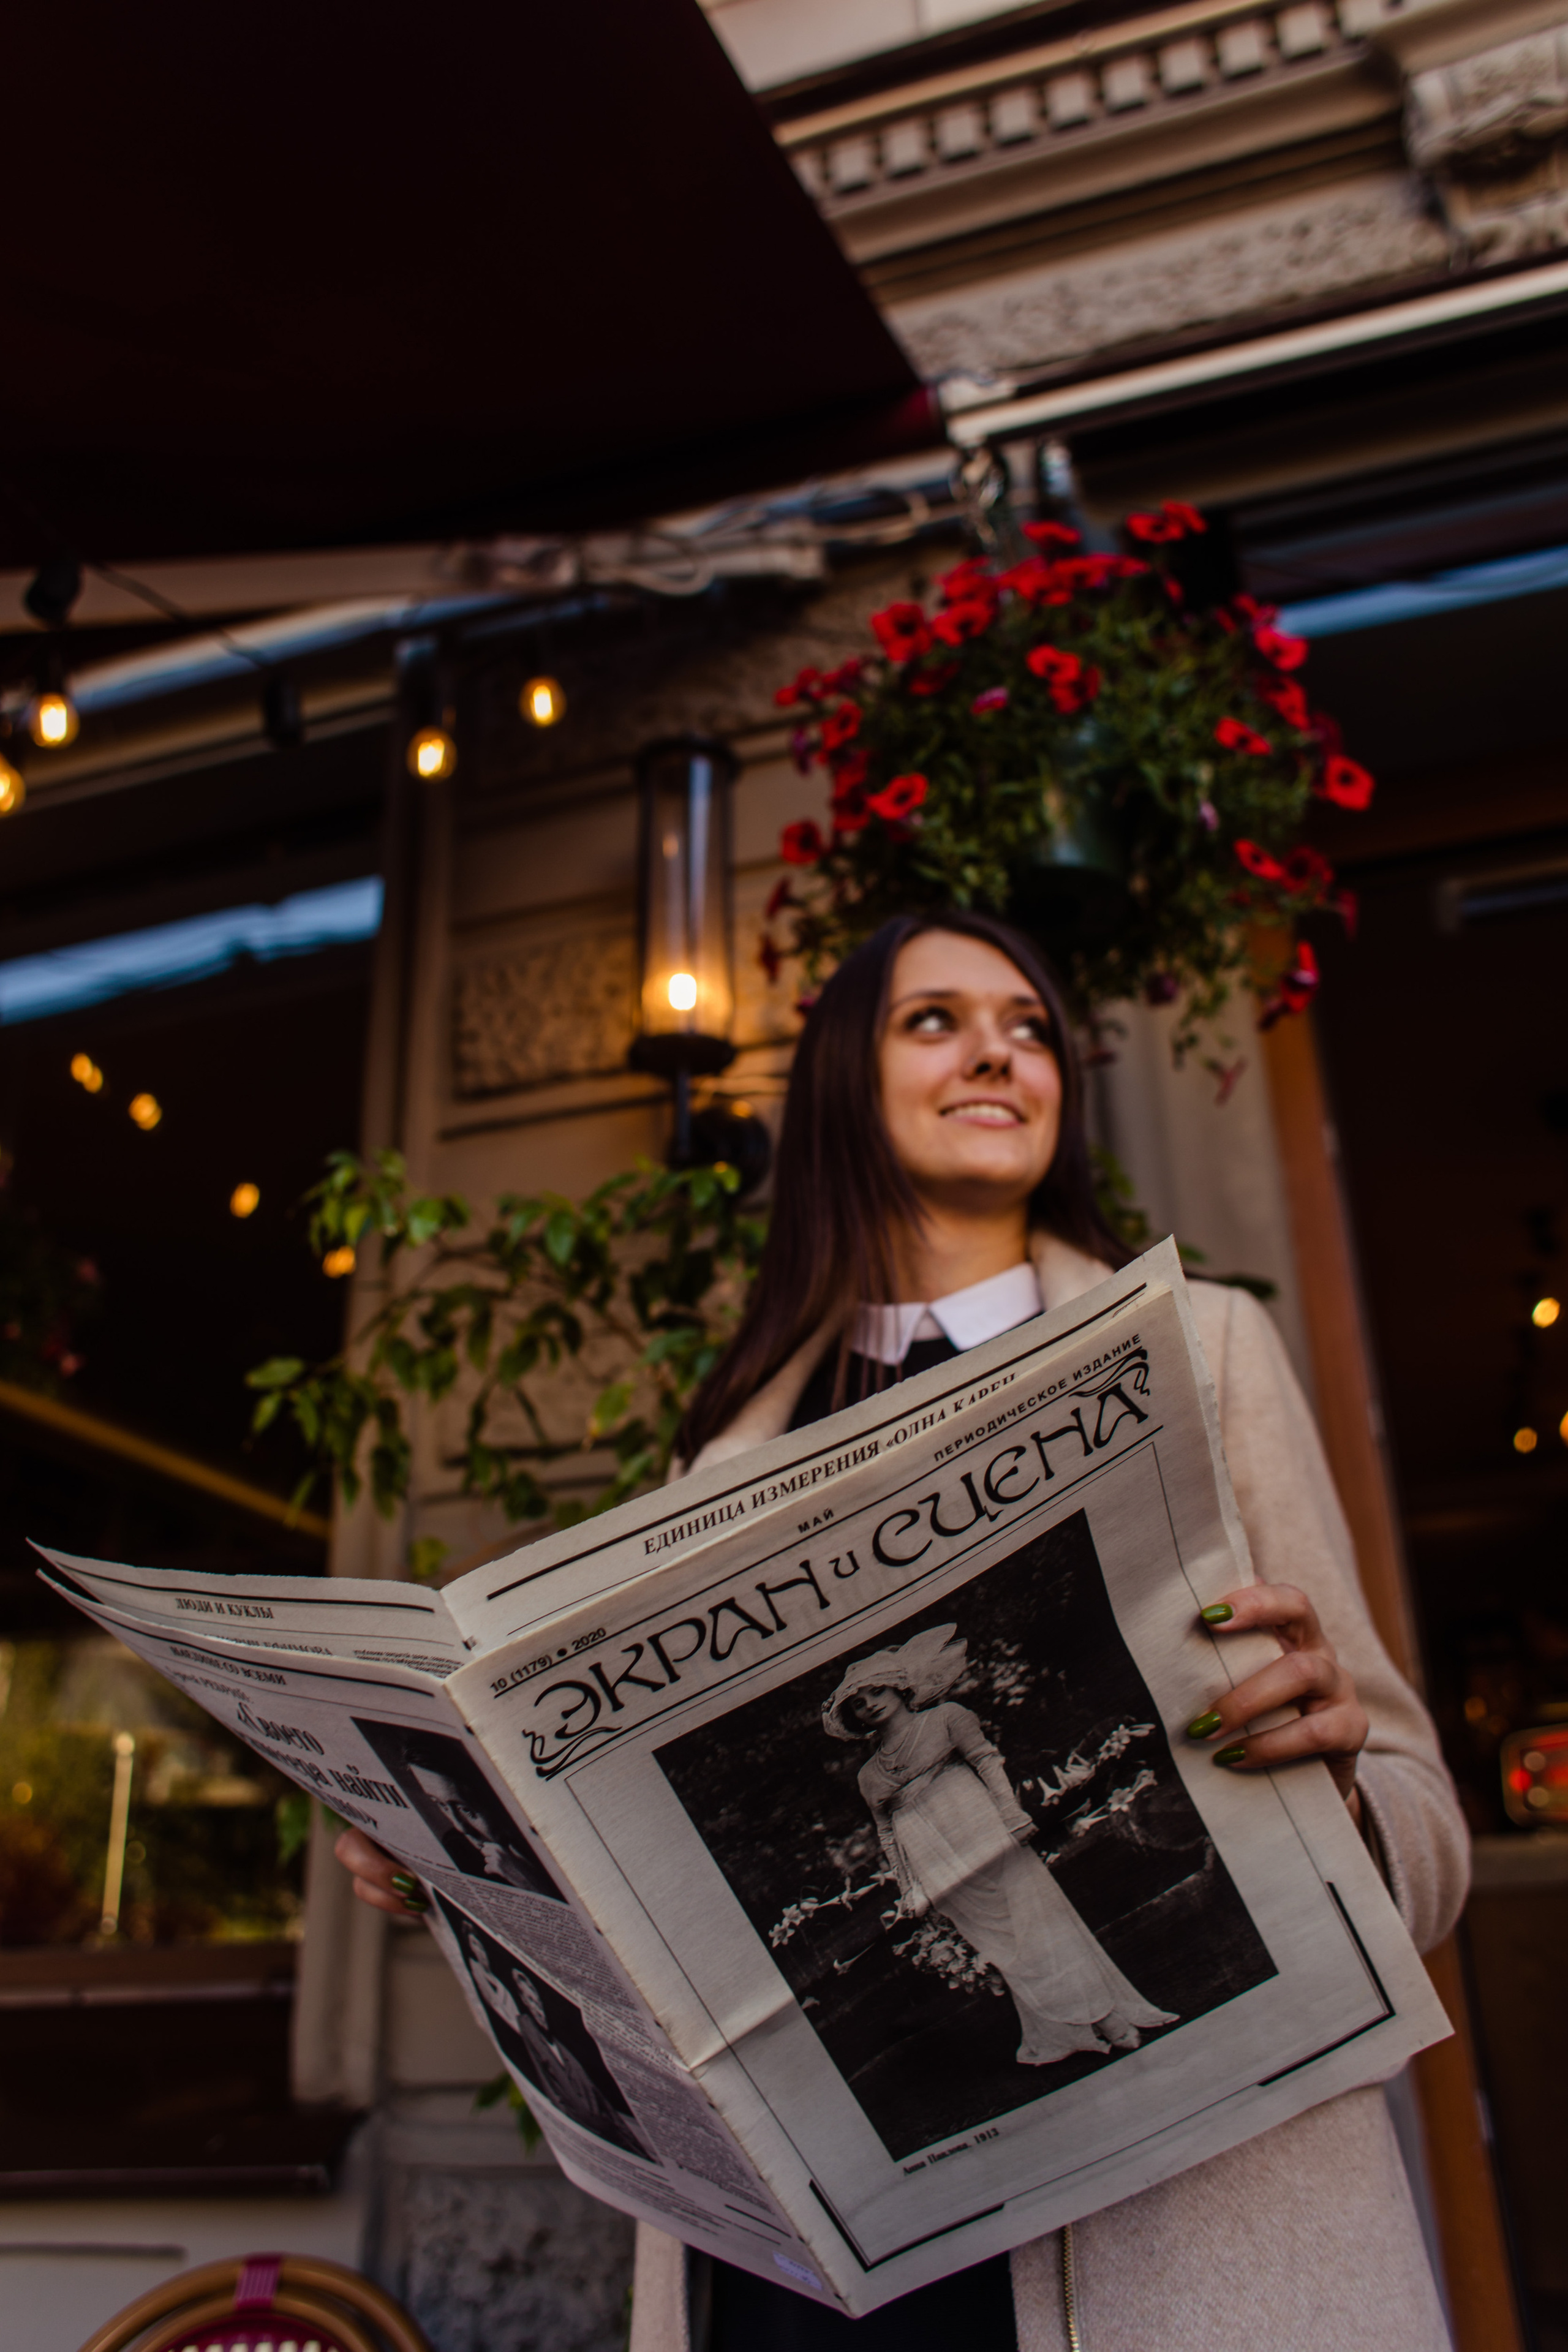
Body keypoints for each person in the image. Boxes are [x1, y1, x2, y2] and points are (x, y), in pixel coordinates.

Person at [336, 910, 1467, 2352]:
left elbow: (1419, 1824)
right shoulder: (716, 1457)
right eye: (934, 1019)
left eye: (1028, 1027)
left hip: (1169, 2247)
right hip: (810, 2277)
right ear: (839, 1083)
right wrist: (468, 1862)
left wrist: (1340, 1791)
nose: (996, 1050)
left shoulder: (1206, 1346)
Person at [826, 1626, 1177, 2064]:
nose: (870, 1704)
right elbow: (886, 1832)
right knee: (1006, 1948)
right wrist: (910, 1887)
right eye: (859, 1703)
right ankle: (1072, 2028)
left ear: (899, 1686)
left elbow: (987, 1762)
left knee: (1041, 1925)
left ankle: (1108, 2019)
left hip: (978, 1824)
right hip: (932, 1855)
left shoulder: (947, 1717)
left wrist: (1012, 1816)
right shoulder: (869, 1775)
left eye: (876, 1691)